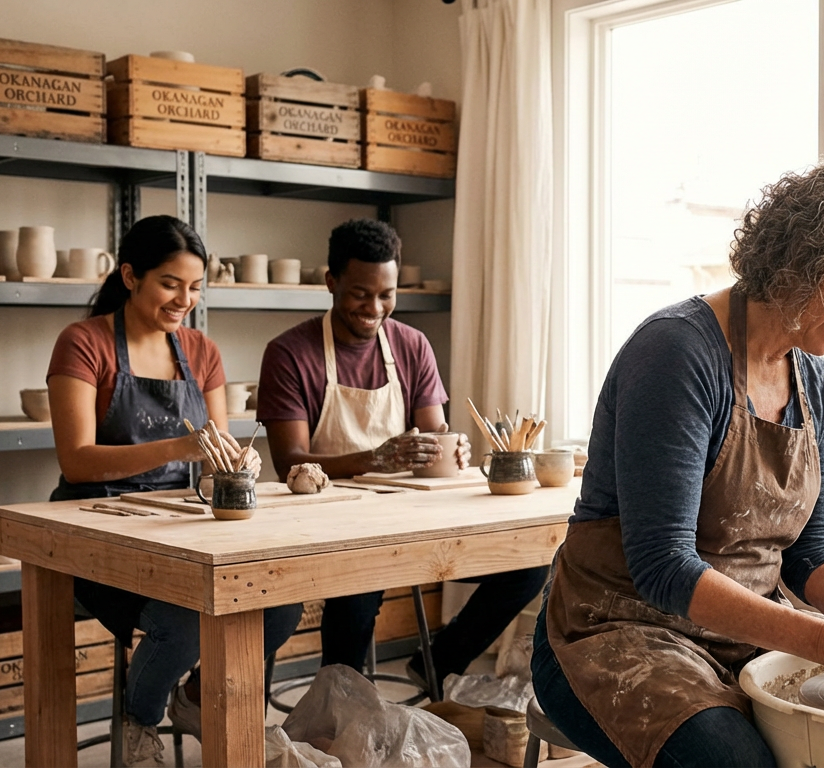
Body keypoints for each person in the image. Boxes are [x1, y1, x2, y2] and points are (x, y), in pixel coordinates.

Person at [532, 164, 824, 768]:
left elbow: (813, 553)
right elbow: (662, 567)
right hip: (615, 630)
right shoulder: (677, 352)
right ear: (803, 256)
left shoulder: (814, 380)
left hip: (744, 634)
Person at [46, 215, 303, 767]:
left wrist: (235, 465)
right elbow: (77, 460)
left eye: (195, 287)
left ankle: (194, 700)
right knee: (184, 619)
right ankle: (139, 719)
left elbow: (212, 459)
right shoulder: (84, 343)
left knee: (280, 604)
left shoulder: (201, 351)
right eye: (170, 284)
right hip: (95, 523)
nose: (185, 300)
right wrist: (177, 448)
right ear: (130, 276)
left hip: (176, 518)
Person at [256, 218, 547, 697]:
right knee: (360, 579)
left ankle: (438, 661)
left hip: (408, 516)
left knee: (528, 565)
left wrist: (450, 448)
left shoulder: (411, 345)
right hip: (326, 522)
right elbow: (291, 461)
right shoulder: (290, 353)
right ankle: (338, 707)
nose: (375, 308)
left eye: (386, 295)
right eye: (360, 294)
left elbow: (434, 432)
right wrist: (375, 458)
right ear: (330, 282)